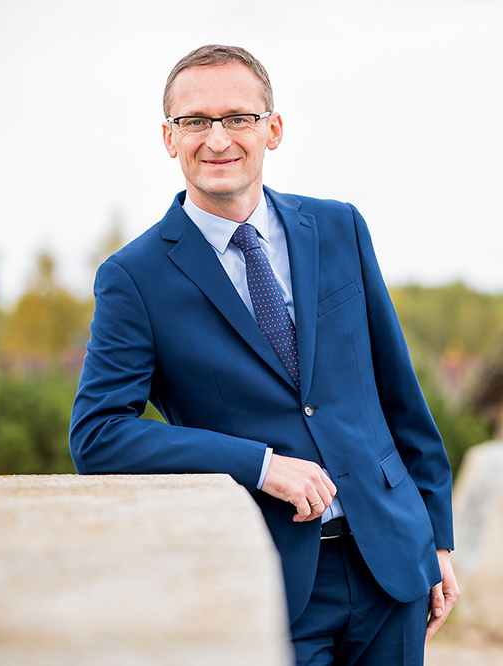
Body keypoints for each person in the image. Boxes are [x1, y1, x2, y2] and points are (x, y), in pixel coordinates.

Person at [69, 44, 458, 666]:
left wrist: (436, 537)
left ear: (272, 130)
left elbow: (397, 392)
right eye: (195, 121)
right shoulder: (134, 278)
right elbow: (98, 435)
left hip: (391, 560)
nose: (217, 138)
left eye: (238, 118)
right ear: (169, 138)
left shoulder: (340, 227)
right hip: (267, 582)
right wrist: (259, 464)